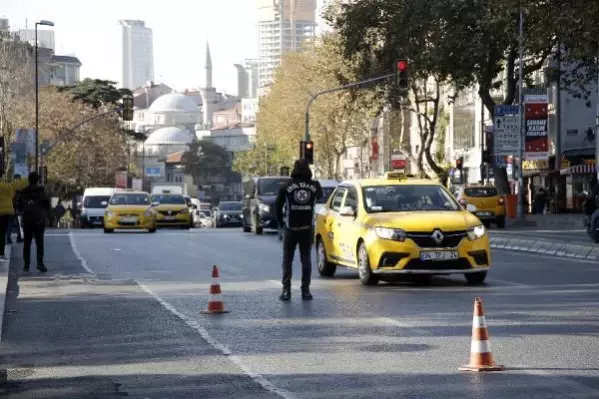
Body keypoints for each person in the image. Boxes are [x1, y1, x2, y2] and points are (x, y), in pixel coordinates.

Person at [275, 159, 322, 301]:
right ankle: (306, 291)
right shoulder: (315, 186)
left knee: (287, 259)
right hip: (307, 228)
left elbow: (278, 207)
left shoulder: (286, 186)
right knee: (306, 259)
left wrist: (280, 224)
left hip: (290, 227)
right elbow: (319, 197)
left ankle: (286, 291)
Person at [17, 172, 50, 272]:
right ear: (37, 180)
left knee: (27, 243)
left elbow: (18, 207)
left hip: (27, 220)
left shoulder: (23, 192)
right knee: (39, 243)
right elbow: (47, 205)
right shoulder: (41, 192)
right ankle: (40, 263)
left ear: (28, 180)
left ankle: (26, 265)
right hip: (39, 220)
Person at [0, 175, 28, 261]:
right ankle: (1, 253)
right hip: (6, 212)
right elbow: (18, 185)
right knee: (2, 233)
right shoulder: (8, 186)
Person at [7, 174, 24, 244]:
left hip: (10, 208)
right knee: (19, 224)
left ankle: (8, 238)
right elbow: (22, 200)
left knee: (9, 225)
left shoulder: (9, 186)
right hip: (17, 209)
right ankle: (19, 237)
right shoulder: (21, 188)